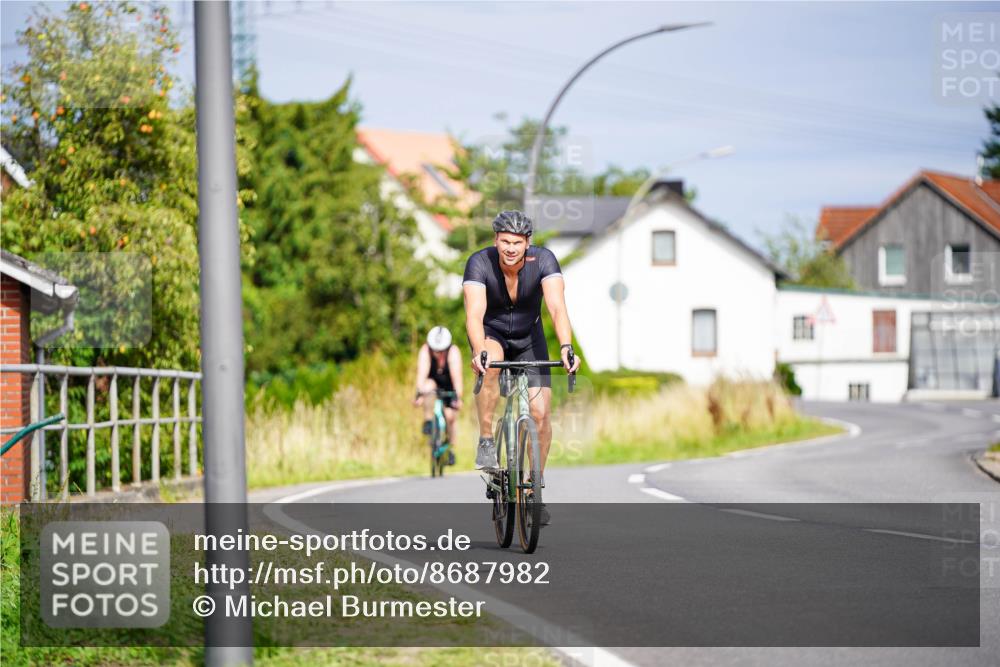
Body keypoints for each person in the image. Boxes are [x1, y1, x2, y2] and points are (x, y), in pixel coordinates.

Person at [463, 210, 581, 525]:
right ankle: (487, 439)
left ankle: (534, 488)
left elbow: (557, 307)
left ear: (527, 242)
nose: (511, 248)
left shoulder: (544, 261)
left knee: (541, 415)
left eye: (517, 242)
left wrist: (567, 348)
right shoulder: (479, 262)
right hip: (493, 334)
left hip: (530, 338)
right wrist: (478, 350)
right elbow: (474, 313)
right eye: (505, 242)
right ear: (495, 241)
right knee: (488, 366)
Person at [413, 326, 463, 465]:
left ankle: (451, 448)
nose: (438, 353)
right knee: (428, 387)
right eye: (435, 350)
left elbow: (457, 378)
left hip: (449, 385)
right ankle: (429, 421)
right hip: (432, 382)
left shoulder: (453, 352)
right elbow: (421, 375)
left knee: (450, 417)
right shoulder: (425, 351)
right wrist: (419, 394)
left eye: (441, 351)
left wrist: (458, 397)